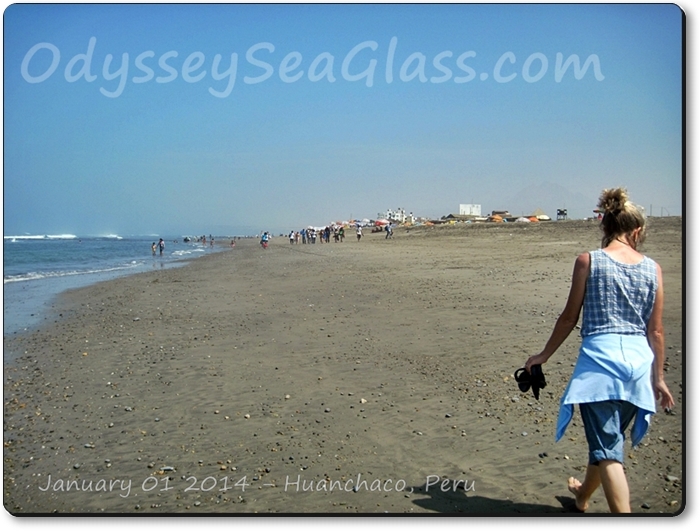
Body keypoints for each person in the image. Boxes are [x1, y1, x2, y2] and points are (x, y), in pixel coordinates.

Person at [522, 188, 674, 513]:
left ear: (605, 226)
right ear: (636, 231)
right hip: (637, 367)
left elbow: (568, 317)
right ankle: (582, 497)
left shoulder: (588, 261)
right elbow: (656, 330)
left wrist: (543, 355)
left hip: (600, 366)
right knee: (608, 442)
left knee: (608, 452)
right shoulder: (654, 269)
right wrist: (658, 377)